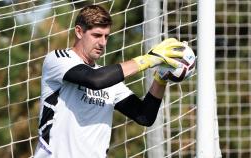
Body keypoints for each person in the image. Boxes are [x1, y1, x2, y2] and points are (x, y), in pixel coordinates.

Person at [34, 4, 185, 158]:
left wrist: (160, 78)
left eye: (106, 36)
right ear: (79, 32)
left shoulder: (109, 80)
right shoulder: (58, 59)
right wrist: (149, 59)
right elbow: (94, 80)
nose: (103, 43)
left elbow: (144, 116)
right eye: (97, 35)